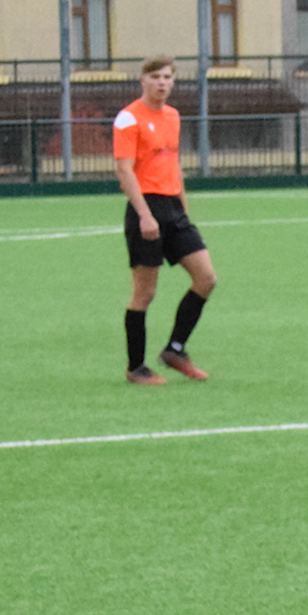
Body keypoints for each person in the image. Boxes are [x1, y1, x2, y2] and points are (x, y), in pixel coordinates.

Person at [114, 56, 218, 384]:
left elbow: (174, 166)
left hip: (174, 209)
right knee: (145, 293)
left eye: (168, 77)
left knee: (206, 278)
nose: (162, 83)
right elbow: (123, 169)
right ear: (142, 80)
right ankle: (136, 368)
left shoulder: (172, 116)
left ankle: (175, 349)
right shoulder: (128, 119)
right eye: (156, 76)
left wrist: (184, 210)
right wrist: (144, 215)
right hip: (146, 209)